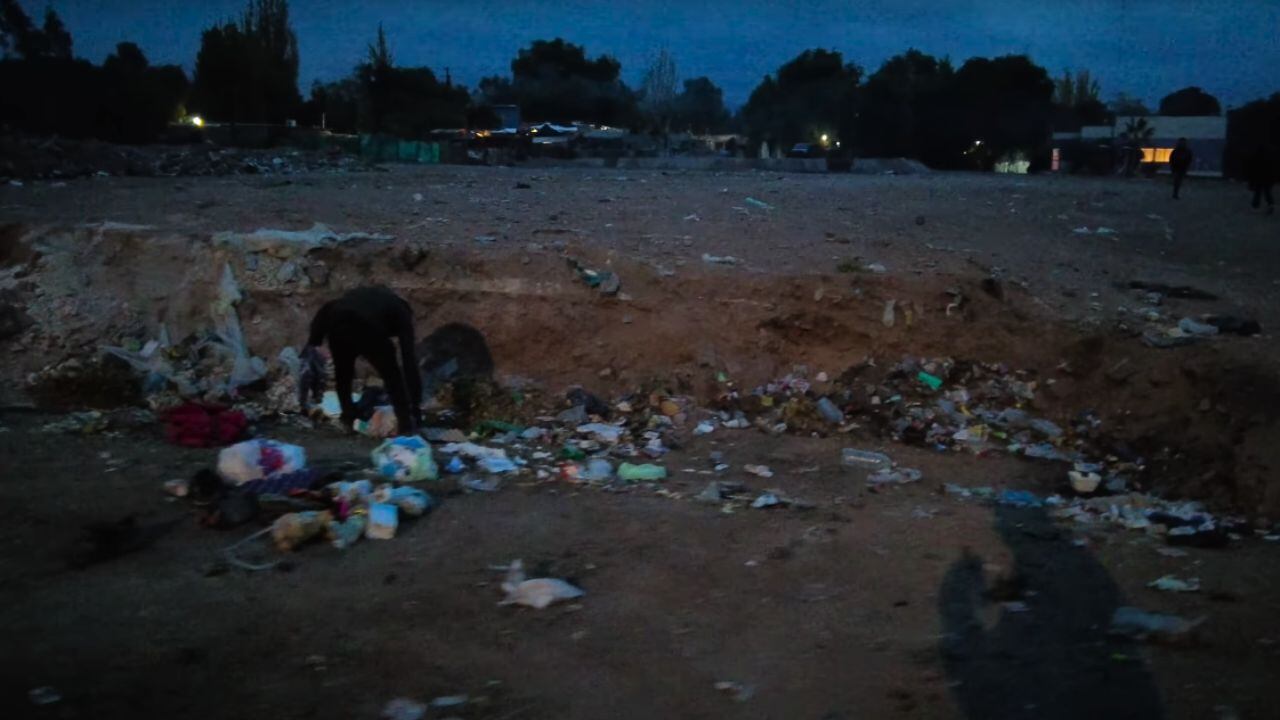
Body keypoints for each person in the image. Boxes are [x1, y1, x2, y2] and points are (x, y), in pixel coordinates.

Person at [304, 286, 423, 433]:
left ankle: (347, 418)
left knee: (343, 373)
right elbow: (409, 361)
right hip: (366, 326)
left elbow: (330, 307)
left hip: (336, 321)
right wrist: (416, 407)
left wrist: (315, 338)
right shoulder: (402, 313)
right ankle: (406, 426)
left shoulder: (370, 296)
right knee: (393, 377)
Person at [1246, 143, 1276, 214]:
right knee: (1267, 192)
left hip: (1259, 178)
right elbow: (1272, 169)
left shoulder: (1255, 157)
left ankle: (1255, 206)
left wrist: (1251, 181)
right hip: (1267, 178)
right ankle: (1270, 204)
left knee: (1258, 192)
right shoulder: (1269, 158)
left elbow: (1252, 170)